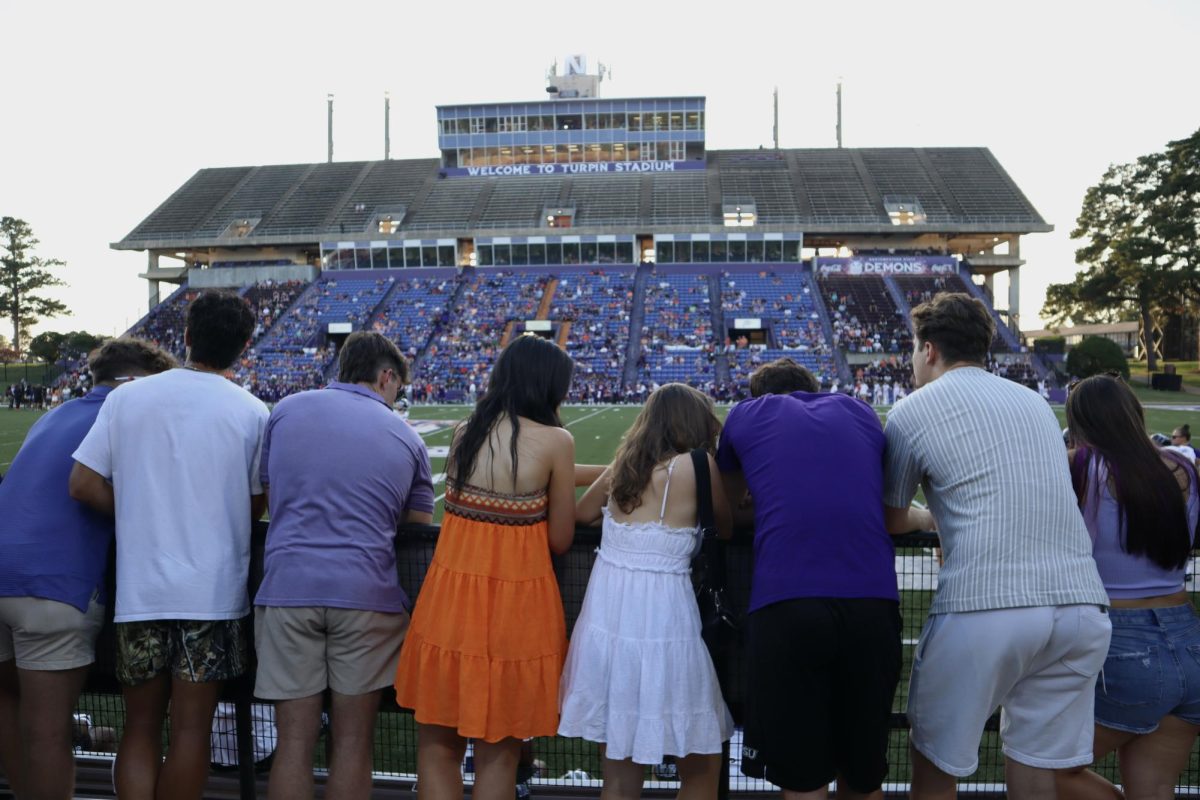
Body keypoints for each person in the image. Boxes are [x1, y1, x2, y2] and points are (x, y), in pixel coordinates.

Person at [882, 293, 1111, 800]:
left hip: (987, 603)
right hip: (1080, 608)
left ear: (930, 350)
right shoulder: (1033, 402)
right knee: (1035, 766)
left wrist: (930, 516)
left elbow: (892, 516)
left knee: (934, 762)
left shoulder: (911, 410)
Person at [70, 290, 269, 800]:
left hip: (142, 593)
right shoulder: (252, 412)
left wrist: (141, 511)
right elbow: (257, 501)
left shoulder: (127, 398)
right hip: (213, 595)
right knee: (189, 733)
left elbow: (84, 483)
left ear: (184, 336)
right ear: (244, 346)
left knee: (140, 729)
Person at [395, 334, 591, 800]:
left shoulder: (469, 430)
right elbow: (560, 537)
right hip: (517, 612)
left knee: (438, 748)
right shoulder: (556, 441)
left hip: (448, 606)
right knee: (498, 756)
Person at [254, 331, 435, 800]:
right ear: (386, 376)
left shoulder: (287, 411)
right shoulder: (405, 436)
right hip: (365, 593)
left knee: (293, 742)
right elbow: (415, 526)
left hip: (288, 588)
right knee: (353, 743)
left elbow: (274, 497)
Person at [716, 356, 903, 799]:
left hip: (787, 601)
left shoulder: (748, 413)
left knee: (802, 778)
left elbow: (726, 515)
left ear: (759, 395)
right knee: (863, 775)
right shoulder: (859, 410)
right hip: (872, 600)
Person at [0, 338, 175, 799]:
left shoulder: (52, 415)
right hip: (53, 588)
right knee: (47, 732)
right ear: (137, 383)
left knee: (10, 713)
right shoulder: (130, 416)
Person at [560, 383, 733, 800]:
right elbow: (724, 527)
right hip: (665, 620)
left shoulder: (625, 465)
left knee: (619, 770)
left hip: (609, 617)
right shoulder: (698, 465)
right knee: (702, 762)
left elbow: (583, 513)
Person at [1056, 376, 1200, 799]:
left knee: (1043, 770)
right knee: (1154, 790)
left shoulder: (1083, 465)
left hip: (1124, 640)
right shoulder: (1183, 465)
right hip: (1189, 638)